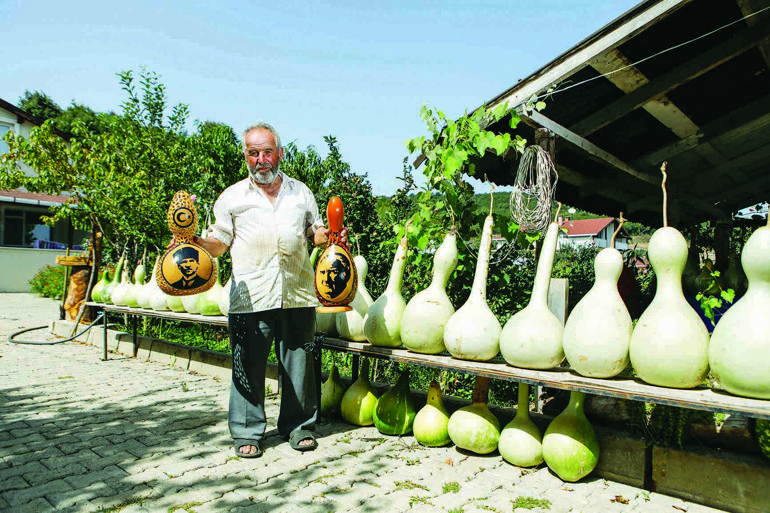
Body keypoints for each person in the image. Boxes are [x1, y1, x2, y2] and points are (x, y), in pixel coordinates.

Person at [192, 122, 339, 458]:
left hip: (298, 292)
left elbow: (313, 233)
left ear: (280, 153)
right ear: (246, 156)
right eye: (253, 153)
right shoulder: (232, 197)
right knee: (248, 364)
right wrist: (197, 242)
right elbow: (218, 244)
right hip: (251, 295)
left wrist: (328, 235)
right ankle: (247, 431)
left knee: (300, 365)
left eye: (267, 151)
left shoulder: (301, 192)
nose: (261, 159)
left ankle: (299, 426)